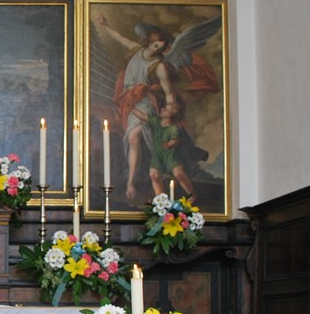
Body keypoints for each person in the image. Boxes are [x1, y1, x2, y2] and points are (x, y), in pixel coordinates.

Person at [95, 13, 221, 201]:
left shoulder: (158, 66)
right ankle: (140, 178)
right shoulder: (136, 50)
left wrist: (171, 108)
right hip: (128, 102)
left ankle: (132, 182)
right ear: (149, 42)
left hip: (144, 102)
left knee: (134, 137)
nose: (156, 49)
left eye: (160, 48)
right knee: (133, 140)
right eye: (155, 45)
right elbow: (120, 38)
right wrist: (106, 25)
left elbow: (168, 90)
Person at [132, 99, 196, 200]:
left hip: (170, 155)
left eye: (165, 109)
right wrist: (131, 108)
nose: (162, 109)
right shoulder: (156, 121)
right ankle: (160, 199)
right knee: (154, 175)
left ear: (170, 115)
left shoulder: (173, 128)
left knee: (179, 174)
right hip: (158, 155)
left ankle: (191, 195)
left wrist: (169, 144)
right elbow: (142, 116)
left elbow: (175, 140)